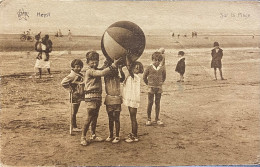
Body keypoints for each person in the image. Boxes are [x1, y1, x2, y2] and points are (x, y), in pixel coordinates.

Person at [81, 51, 120, 146]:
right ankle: (83, 137)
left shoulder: (95, 69)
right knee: (89, 117)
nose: (94, 64)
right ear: (87, 63)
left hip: (97, 97)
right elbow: (102, 72)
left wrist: (107, 62)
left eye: (96, 62)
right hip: (90, 97)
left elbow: (102, 69)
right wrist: (113, 65)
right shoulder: (89, 71)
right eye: (92, 62)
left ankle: (93, 135)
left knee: (95, 117)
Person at [103, 60, 125, 144]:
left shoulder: (117, 78)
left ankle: (117, 136)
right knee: (110, 119)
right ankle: (111, 134)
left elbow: (122, 78)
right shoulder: (106, 77)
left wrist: (120, 69)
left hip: (116, 100)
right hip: (109, 99)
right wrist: (109, 64)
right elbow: (104, 70)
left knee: (116, 118)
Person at [122, 61, 144, 143]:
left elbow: (129, 68)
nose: (136, 69)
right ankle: (133, 134)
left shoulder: (135, 76)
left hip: (133, 100)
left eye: (138, 68)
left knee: (133, 118)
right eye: (135, 67)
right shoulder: (130, 76)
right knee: (132, 117)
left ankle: (134, 135)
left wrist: (127, 59)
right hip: (131, 99)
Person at [61, 59, 84, 132]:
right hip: (74, 95)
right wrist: (69, 88)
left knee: (75, 111)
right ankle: (74, 126)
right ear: (73, 67)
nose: (78, 68)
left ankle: (74, 125)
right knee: (74, 112)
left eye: (80, 67)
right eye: (77, 67)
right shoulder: (72, 75)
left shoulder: (79, 74)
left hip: (79, 94)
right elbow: (63, 82)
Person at [143, 52, 166, 126]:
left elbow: (164, 77)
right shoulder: (149, 67)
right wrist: (148, 83)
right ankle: (148, 118)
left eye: (158, 60)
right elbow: (144, 77)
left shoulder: (162, 68)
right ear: (152, 59)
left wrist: (160, 83)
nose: (157, 62)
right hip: (151, 88)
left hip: (159, 88)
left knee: (157, 103)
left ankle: (157, 118)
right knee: (150, 103)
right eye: (155, 60)